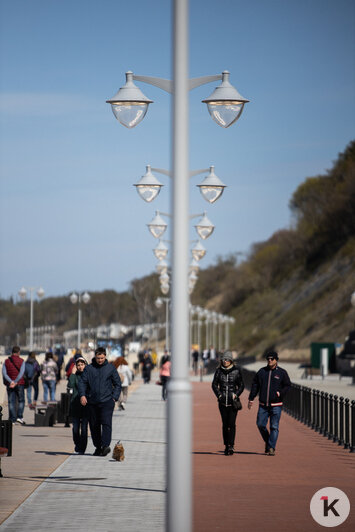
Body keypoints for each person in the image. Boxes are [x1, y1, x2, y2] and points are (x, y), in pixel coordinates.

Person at [78, 347, 121, 457]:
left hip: (107, 401)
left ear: (105, 356)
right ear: (95, 357)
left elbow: (117, 384)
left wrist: (114, 397)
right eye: (98, 358)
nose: (100, 360)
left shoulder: (110, 368)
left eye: (102, 358)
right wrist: (82, 395)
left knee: (106, 423)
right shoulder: (89, 369)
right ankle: (98, 447)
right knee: (94, 425)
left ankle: (105, 446)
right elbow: (82, 383)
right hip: (92, 402)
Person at [248, 351, 291, 456]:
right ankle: (269, 443)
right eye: (268, 359)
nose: (270, 360)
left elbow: (287, 385)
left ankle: (271, 447)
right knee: (260, 424)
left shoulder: (282, 373)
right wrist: (251, 398)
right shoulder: (262, 372)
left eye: (272, 359)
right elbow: (255, 385)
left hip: (276, 405)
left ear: (276, 360)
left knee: (274, 427)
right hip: (263, 405)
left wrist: (280, 393)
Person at [212, 351, 244, 455]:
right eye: (223, 359)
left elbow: (241, 385)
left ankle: (231, 445)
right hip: (222, 403)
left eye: (227, 359)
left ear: (231, 360)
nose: (225, 361)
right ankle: (226, 445)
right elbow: (214, 384)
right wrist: (219, 395)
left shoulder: (236, 371)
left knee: (232, 424)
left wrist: (236, 394)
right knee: (225, 425)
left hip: (233, 402)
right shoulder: (218, 371)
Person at [67, 355, 89, 454]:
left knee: (84, 429)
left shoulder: (88, 375)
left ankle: (82, 448)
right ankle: (77, 444)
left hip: (85, 405)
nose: (80, 367)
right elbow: (70, 385)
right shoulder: (74, 376)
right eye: (78, 365)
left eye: (82, 364)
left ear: (85, 365)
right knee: (75, 429)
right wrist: (72, 373)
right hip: (75, 405)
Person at [2, 346, 26, 424]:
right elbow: (21, 373)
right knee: (21, 400)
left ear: (12, 352)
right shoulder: (22, 361)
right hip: (19, 383)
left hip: (10, 384)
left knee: (11, 401)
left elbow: (4, 373)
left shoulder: (6, 361)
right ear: (18, 352)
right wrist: (15, 381)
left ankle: (12, 419)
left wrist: (11, 381)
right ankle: (19, 417)